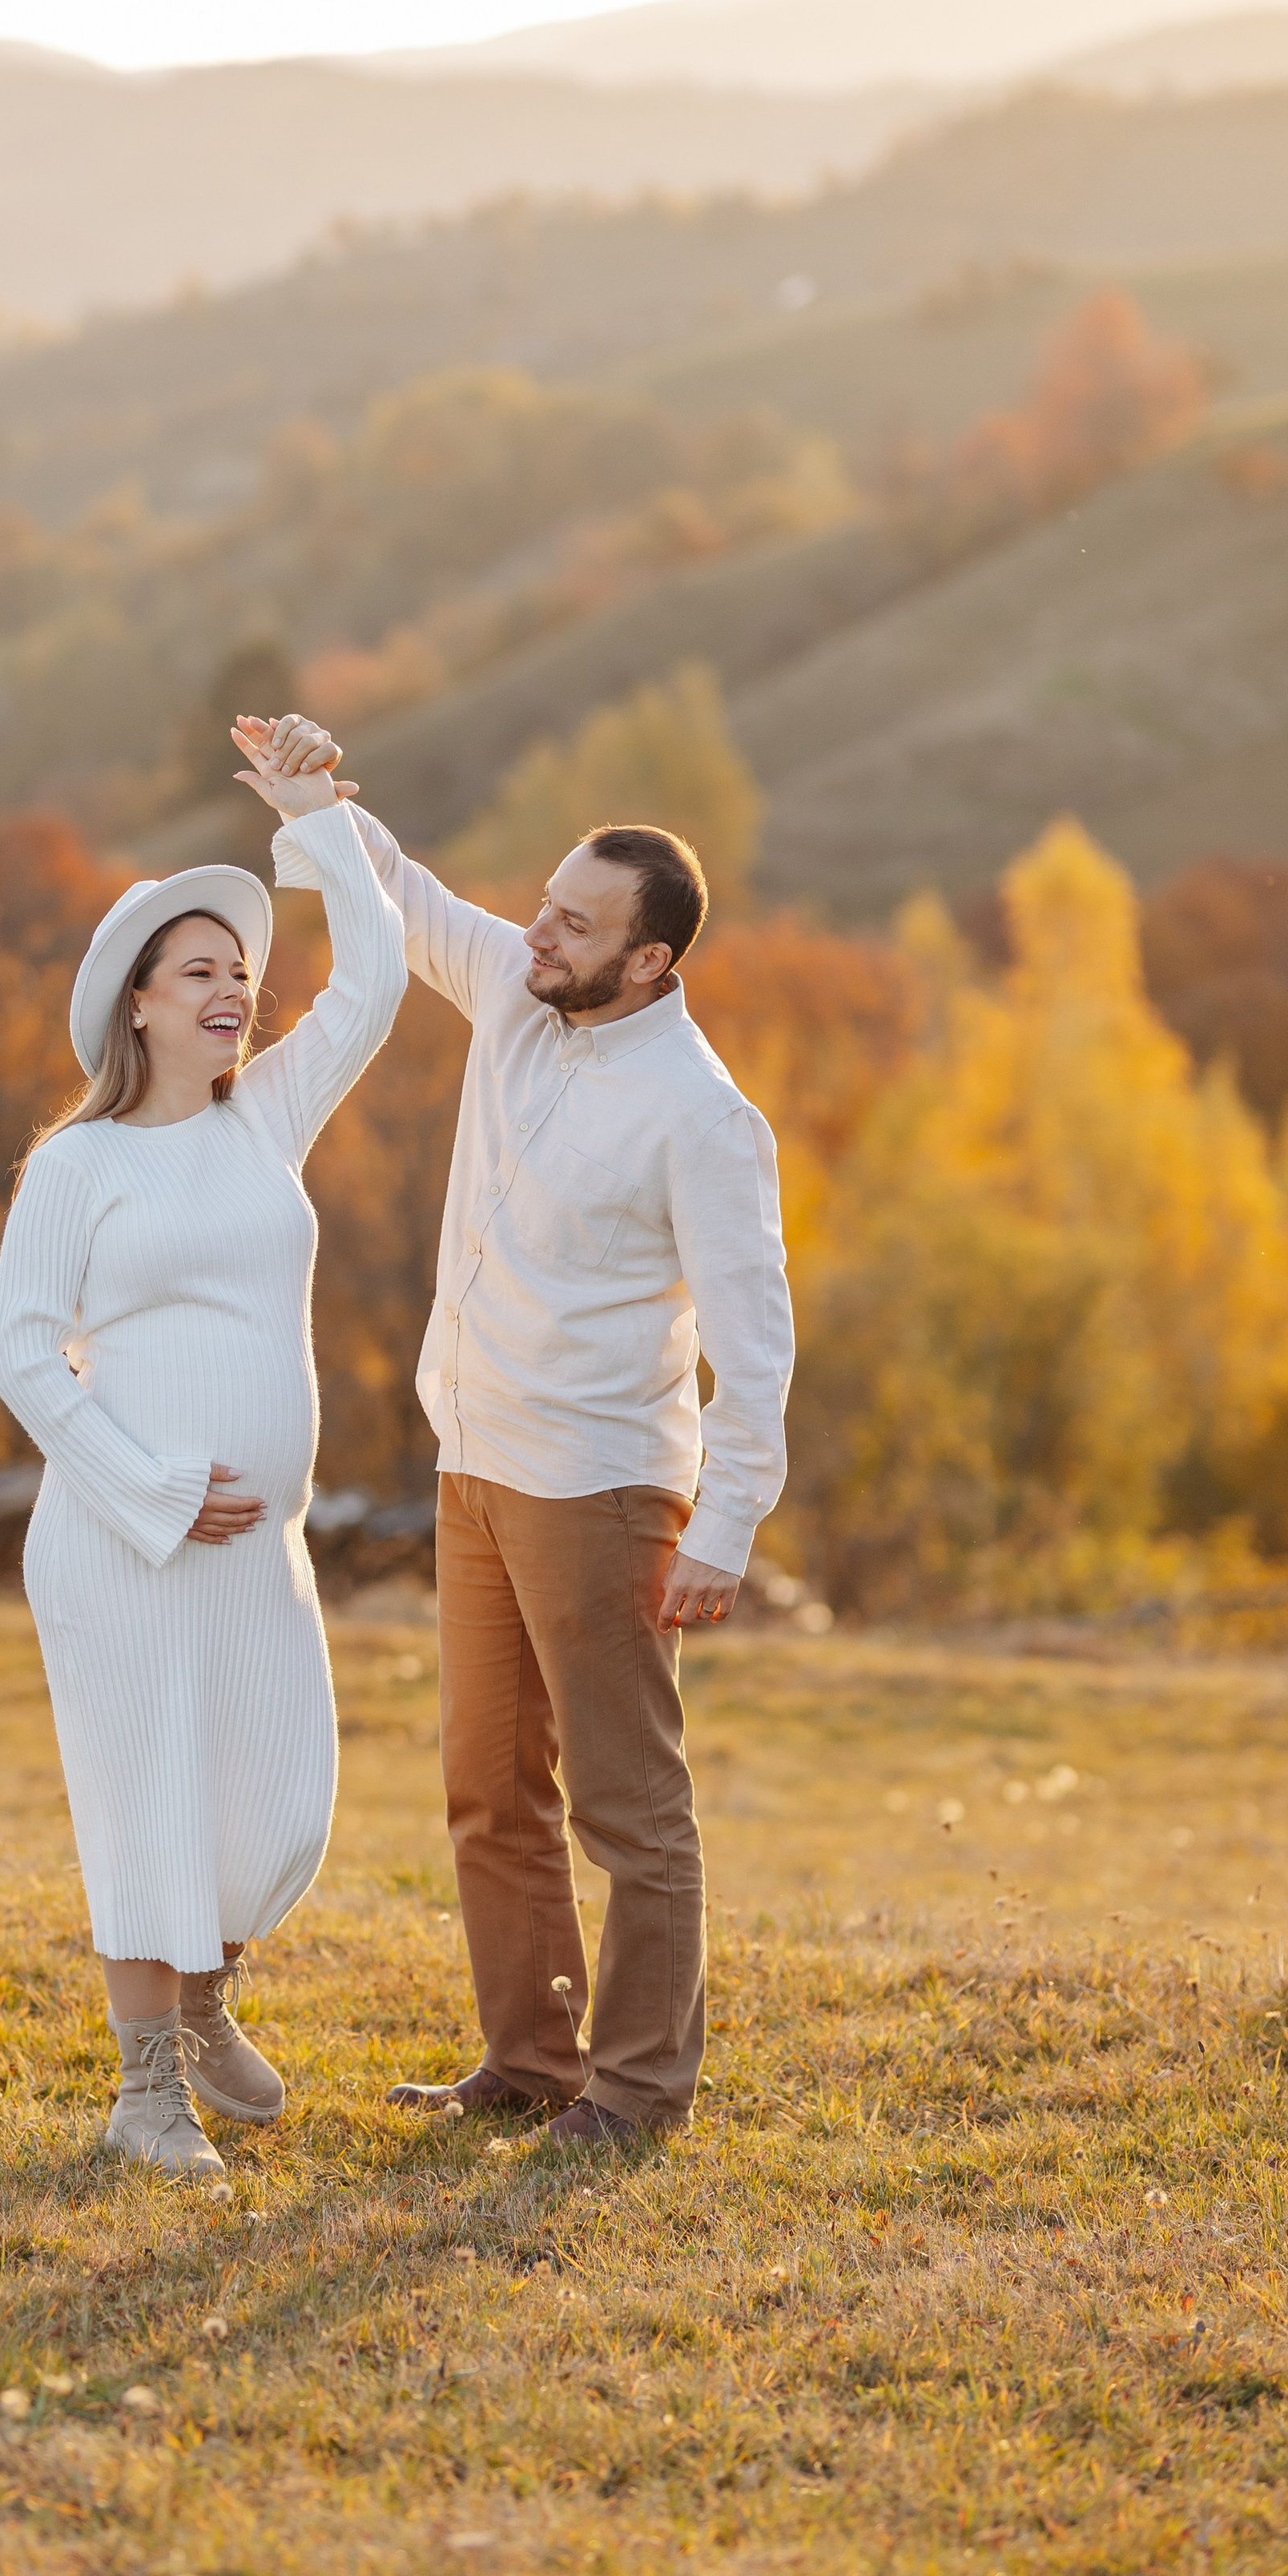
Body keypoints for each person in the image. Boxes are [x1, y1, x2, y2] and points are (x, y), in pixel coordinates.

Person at [246, 711, 794, 2144]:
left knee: (629, 1808)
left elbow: (758, 1347)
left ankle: (637, 2095)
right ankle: (533, 2064)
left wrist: (723, 1530)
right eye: (543, 907)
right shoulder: (515, 987)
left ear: (651, 961)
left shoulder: (705, 1117)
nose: (535, 932)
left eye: (573, 923)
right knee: (489, 1789)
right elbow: (403, 897)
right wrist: (311, 799)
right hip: (474, 1464)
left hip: (604, 1489)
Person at [0, 721, 406, 2180]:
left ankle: (210, 1991)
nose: (236, 993)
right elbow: (21, 1352)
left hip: (261, 1547)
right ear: (142, 1007)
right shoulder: (78, 1164)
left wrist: (317, 818)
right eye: (204, 974)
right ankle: (145, 2092)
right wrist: (157, 1493)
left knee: (278, 1798)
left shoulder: (266, 1123)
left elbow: (378, 983)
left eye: (244, 971)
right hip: (121, 1544)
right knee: (146, 1793)